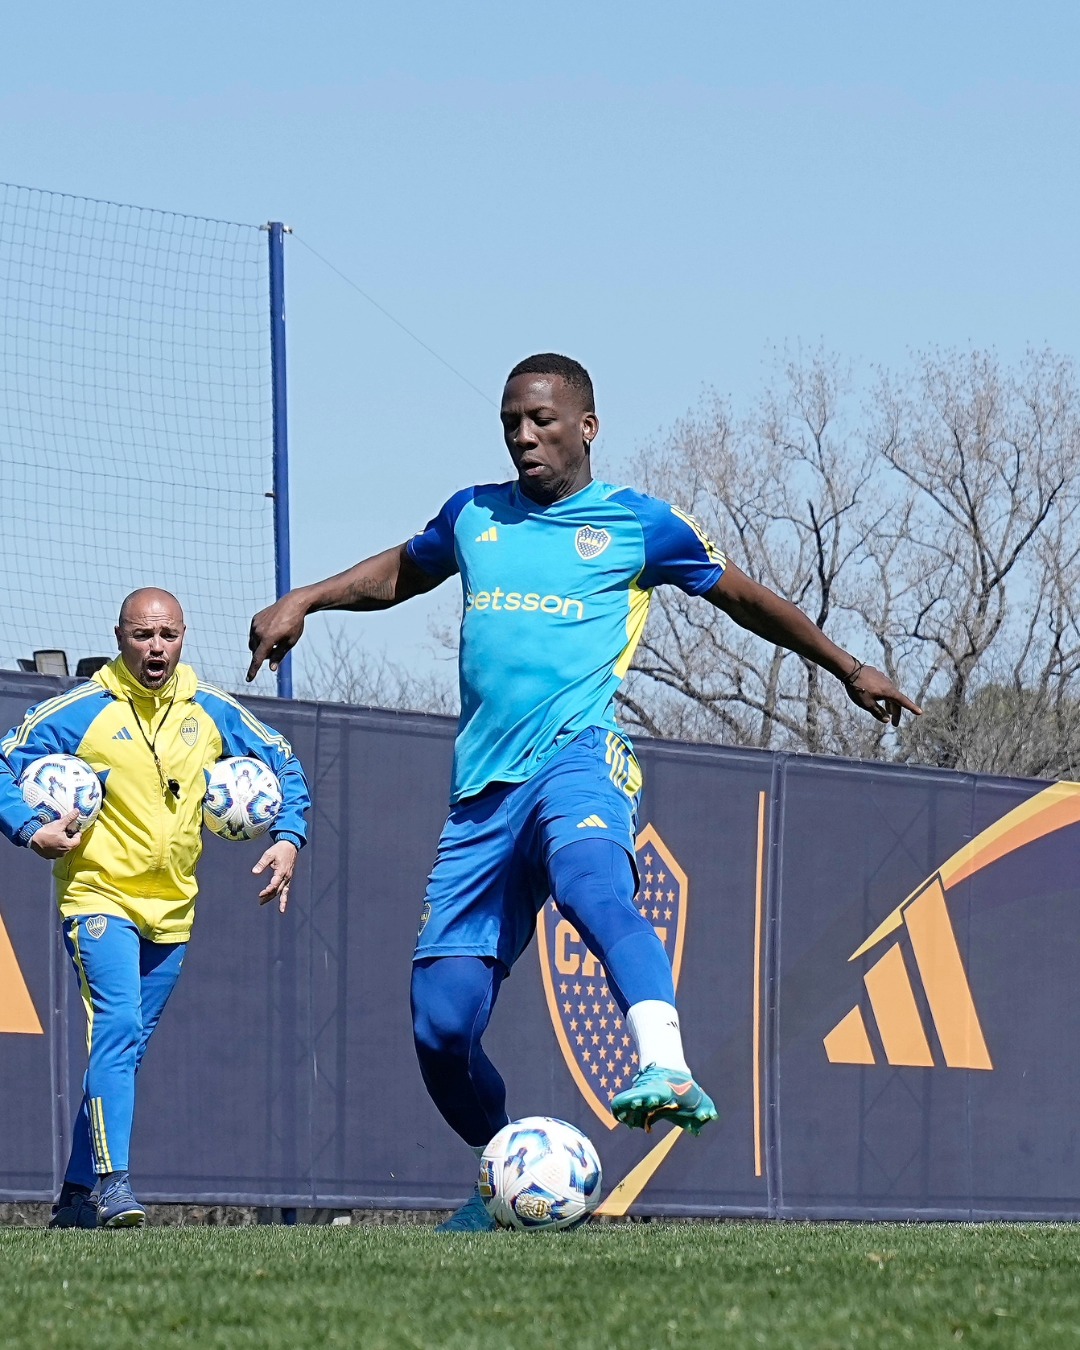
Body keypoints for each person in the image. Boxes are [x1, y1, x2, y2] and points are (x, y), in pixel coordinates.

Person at [247, 353, 919, 1230]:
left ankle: (665, 1063)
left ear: (587, 426)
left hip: (580, 756)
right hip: (481, 797)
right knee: (440, 1028)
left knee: (593, 885)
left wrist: (848, 666)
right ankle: (505, 1183)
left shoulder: (639, 526)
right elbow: (402, 572)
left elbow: (746, 600)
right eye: (511, 424)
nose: (524, 436)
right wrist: (309, 597)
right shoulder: (474, 515)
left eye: (542, 420)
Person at [0, 589, 310, 1229]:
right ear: (120, 637)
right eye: (143, 635)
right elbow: (3, 762)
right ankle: (114, 1186)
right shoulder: (82, 709)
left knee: (126, 1047)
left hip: (172, 911)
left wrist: (288, 835)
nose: (156, 648)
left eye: (167, 635)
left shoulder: (212, 709)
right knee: (115, 1026)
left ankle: (78, 1198)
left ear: (184, 636)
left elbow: (283, 762)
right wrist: (30, 828)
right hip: (97, 896)